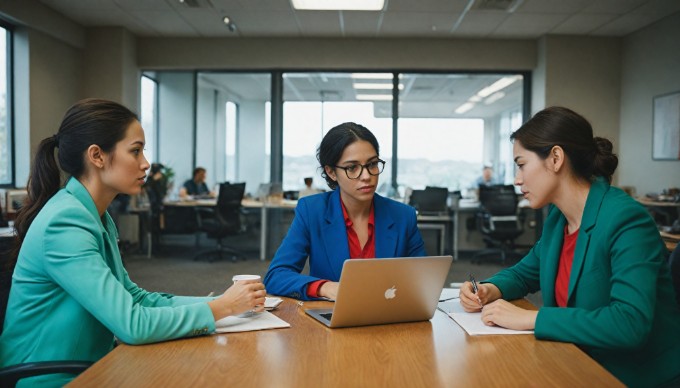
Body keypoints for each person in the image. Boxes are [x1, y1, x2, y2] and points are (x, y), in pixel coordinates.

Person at [0, 99, 266, 386]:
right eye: (135, 151)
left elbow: (135, 298)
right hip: (47, 377)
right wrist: (223, 308)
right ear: (97, 156)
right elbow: (132, 324)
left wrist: (222, 301)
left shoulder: (95, 216)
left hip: (91, 366)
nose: (146, 163)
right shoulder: (64, 223)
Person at [459, 106, 680, 388]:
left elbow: (629, 323)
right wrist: (490, 289)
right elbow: (524, 274)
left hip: (635, 377)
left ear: (555, 158)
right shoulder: (558, 220)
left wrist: (532, 319)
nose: (517, 179)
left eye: (521, 164)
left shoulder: (626, 219)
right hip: (575, 363)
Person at [263, 122, 426, 301]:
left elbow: (423, 281)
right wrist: (325, 288)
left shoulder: (403, 216)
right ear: (331, 172)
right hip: (331, 319)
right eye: (352, 168)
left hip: (390, 317)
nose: (366, 176)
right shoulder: (312, 211)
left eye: (372, 164)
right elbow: (276, 276)